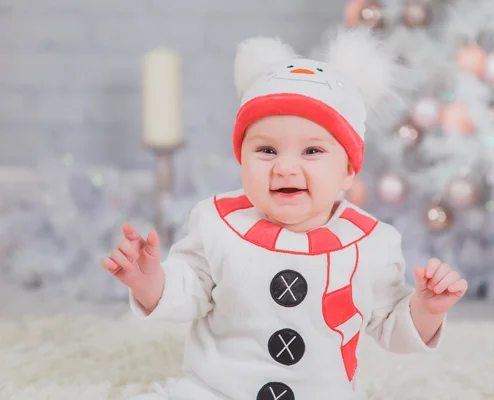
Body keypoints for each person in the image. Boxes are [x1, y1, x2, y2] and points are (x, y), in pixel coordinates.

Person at [100, 28, 468, 400]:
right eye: (267, 151)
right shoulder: (218, 223)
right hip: (216, 391)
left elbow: (392, 324)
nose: (286, 168)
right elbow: (189, 288)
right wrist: (150, 282)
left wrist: (426, 308)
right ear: (241, 158)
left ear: (348, 171)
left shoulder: (371, 244)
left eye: (312, 152)